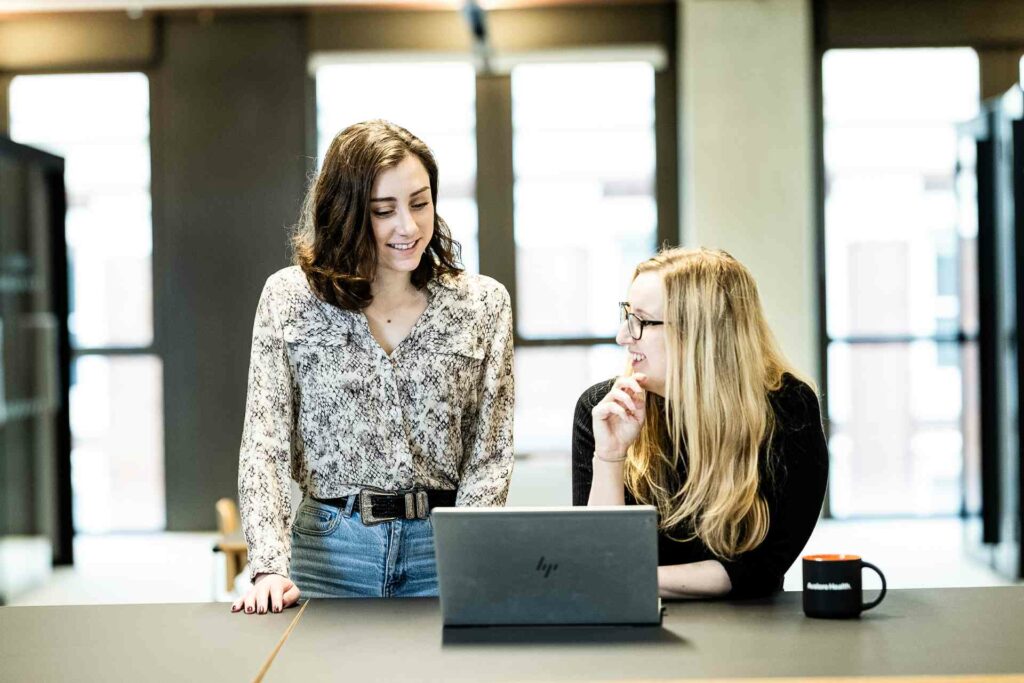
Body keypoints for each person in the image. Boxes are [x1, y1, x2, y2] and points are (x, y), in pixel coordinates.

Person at [233, 120, 514, 615]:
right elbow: (265, 443)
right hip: (327, 550)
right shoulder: (289, 299)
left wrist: (470, 550)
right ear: (345, 214)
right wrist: (268, 564)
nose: (407, 227)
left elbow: (489, 453)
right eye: (383, 211)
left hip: (442, 550)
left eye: (420, 203)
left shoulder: (483, 304)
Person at [572, 247, 828, 599]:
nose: (623, 336)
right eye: (626, 316)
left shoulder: (787, 408)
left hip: (753, 636)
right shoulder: (605, 410)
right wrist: (611, 455)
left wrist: (623, 578)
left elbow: (758, 568)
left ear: (699, 332)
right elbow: (599, 559)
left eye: (641, 321)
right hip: (636, 633)